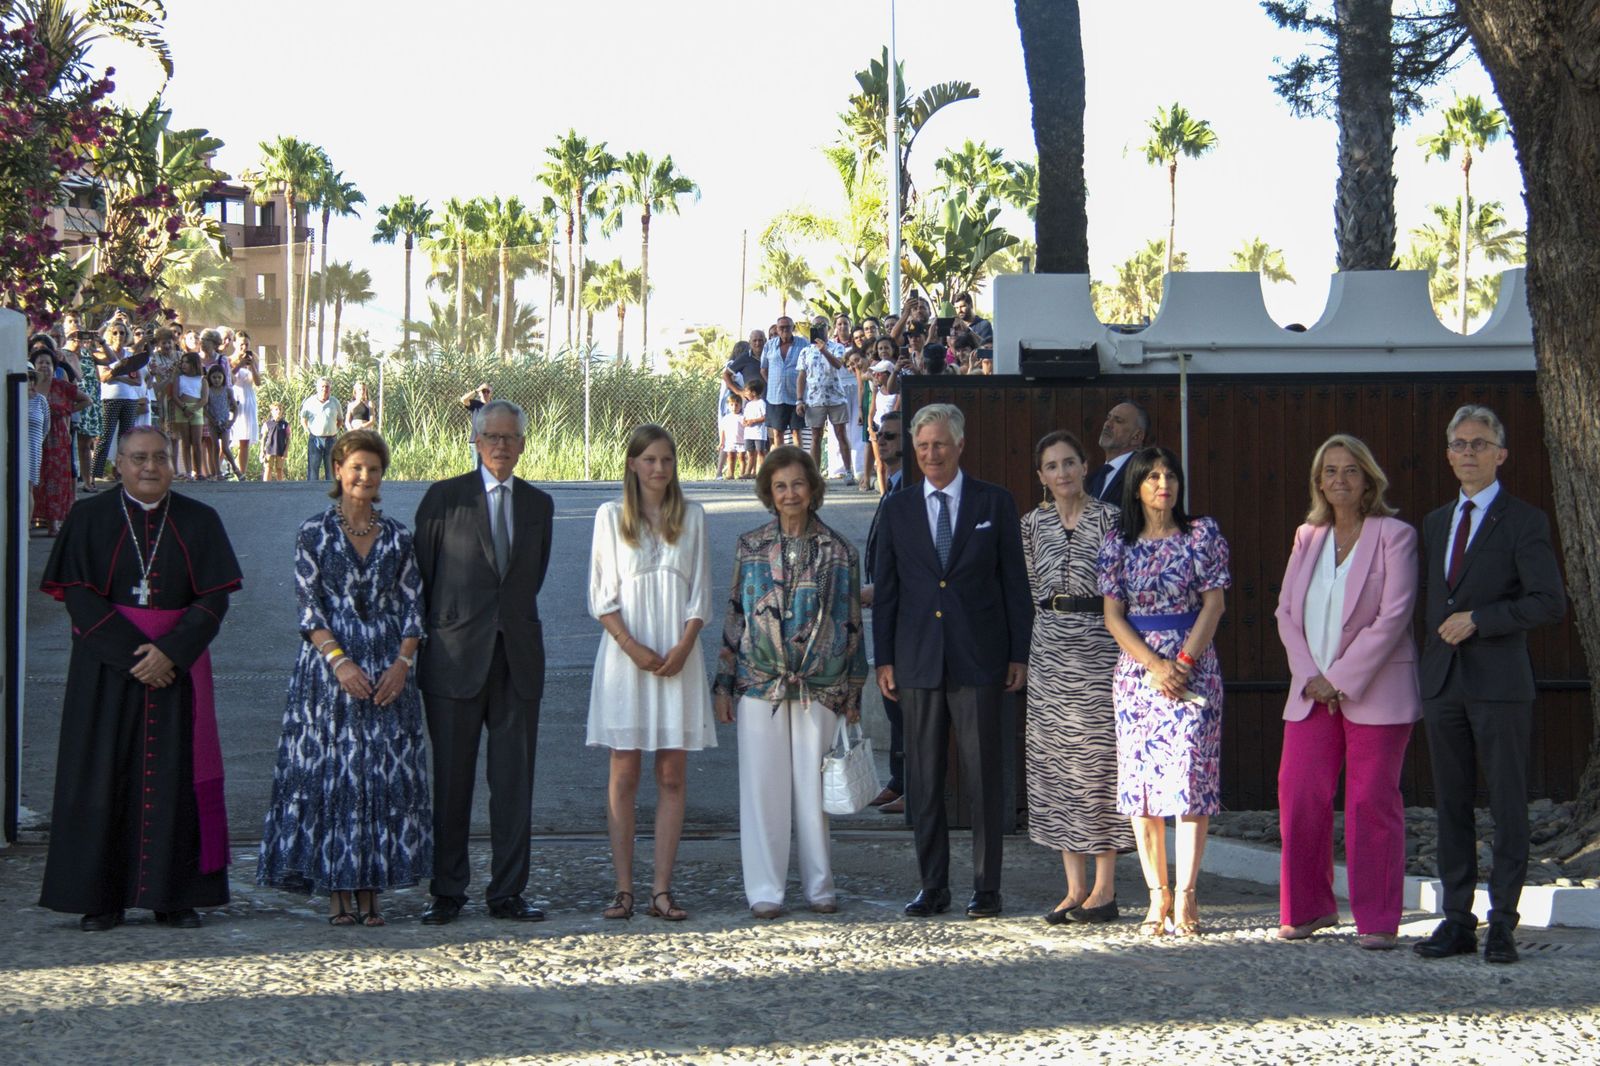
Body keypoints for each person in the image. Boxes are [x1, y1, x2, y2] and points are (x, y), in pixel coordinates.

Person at [38, 425, 243, 931]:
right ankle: (99, 897)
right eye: (138, 458)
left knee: (176, 777)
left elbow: (214, 596)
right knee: (101, 776)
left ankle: (175, 897)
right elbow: (78, 595)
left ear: (173, 463)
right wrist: (136, 656)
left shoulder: (201, 519)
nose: (149, 467)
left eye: (159, 458)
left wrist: (169, 653)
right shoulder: (88, 518)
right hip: (105, 669)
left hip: (178, 666)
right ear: (119, 465)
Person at [257, 429, 431, 927]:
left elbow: (414, 607)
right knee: (336, 779)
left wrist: (402, 665)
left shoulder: (399, 536)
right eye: (355, 467)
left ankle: (373, 891)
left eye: (373, 469)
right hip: (327, 673)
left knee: (378, 778)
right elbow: (308, 610)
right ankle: (337, 892)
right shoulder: (313, 532)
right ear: (337, 470)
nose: (364, 476)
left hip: (388, 670)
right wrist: (340, 662)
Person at [1413, 405, 1566, 966]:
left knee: (1506, 806)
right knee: (1450, 806)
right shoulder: (1434, 522)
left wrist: (1482, 617)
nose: (1469, 452)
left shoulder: (1524, 521)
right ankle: (1457, 920)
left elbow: (1548, 601)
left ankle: (1502, 922)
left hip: (1500, 683)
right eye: (1460, 443)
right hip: (1444, 683)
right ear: (1449, 454)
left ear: (1501, 454)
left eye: (1480, 443)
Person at [874, 404, 1032, 919]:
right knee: (922, 777)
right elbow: (889, 592)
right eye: (922, 446)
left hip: (980, 660)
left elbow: (1014, 585)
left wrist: (1017, 653)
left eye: (939, 444)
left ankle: (987, 888)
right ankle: (932, 885)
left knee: (985, 777)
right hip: (917, 661)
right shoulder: (897, 509)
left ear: (960, 445)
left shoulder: (995, 502)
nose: (930, 454)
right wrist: (884, 660)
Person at [1274, 434, 1420, 950]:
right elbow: (1286, 614)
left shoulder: (1394, 535)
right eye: (1330, 471)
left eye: (1350, 470)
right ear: (1319, 482)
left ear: (1368, 480)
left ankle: (1378, 918)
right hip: (1311, 692)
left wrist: (1339, 678)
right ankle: (1309, 908)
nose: (1340, 480)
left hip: (1376, 690)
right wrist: (1313, 676)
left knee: (1371, 802)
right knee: (1299, 796)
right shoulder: (1306, 537)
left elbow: (1393, 615)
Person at [413, 400, 554, 925]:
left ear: (522, 443)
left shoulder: (539, 505)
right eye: (491, 436)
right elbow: (421, 579)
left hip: (517, 660)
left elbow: (529, 578)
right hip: (453, 660)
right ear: (475, 441)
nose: (500, 445)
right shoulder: (443, 498)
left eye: (510, 437)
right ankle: (447, 891)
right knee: (451, 781)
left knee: (514, 783)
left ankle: (508, 892)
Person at [715, 446, 867, 918]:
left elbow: (852, 622)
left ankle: (820, 884)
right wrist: (723, 683)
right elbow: (736, 613)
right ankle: (765, 889)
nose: (789, 494)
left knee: (812, 787)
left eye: (797, 484)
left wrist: (853, 690)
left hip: (821, 683)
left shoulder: (840, 550)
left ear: (813, 488)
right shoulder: (750, 545)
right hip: (760, 682)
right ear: (769, 492)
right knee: (763, 788)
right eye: (780, 486)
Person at [1098, 446, 1230, 938]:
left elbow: (1213, 605)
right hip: (1138, 674)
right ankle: (1157, 896)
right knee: (1144, 788)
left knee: (1191, 780)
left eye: (1169, 474)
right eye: (1152, 476)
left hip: (1193, 665)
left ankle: (1189, 895)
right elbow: (1114, 615)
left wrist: (1183, 664)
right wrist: (1153, 665)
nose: (1163, 483)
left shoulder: (1202, 535)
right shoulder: (1117, 543)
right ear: (1136, 486)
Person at [587, 425, 715, 922]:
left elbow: (700, 594)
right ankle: (624, 889)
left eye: (666, 459)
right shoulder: (608, 517)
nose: (659, 468)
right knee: (624, 771)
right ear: (633, 464)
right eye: (649, 459)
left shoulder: (695, 517)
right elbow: (601, 595)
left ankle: (662, 889)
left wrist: (683, 647)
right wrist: (632, 647)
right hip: (626, 657)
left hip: (677, 656)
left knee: (672, 772)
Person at [1025, 430, 1133, 925]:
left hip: (1100, 647)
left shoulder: (1112, 519)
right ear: (1042, 475)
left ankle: (1105, 889)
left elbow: (1123, 588)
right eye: (1052, 465)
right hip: (1049, 647)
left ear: (1085, 466)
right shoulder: (1031, 525)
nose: (1063, 472)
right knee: (1058, 766)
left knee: (1098, 765)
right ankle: (1073, 887)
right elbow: (1029, 586)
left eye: (1070, 462)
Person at [860, 409, 905, 813]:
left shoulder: (907, 486)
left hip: (902, 608)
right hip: (885, 604)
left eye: (890, 435)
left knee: (902, 700)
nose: (882, 440)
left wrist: (878, 589)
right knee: (893, 699)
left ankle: (907, 783)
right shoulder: (892, 482)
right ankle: (898, 779)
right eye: (878, 434)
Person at [32, 351, 88, 537]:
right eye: (40, 362)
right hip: (35, 437)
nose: (44, 366)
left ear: (54, 367)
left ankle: (54, 523)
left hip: (57, 438)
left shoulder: (61, 386)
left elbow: (86, 400)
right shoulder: (29, 386)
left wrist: (66, 411)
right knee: (36, 477)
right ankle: (36, 516)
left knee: (55, 479)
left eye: (48, 363)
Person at [795, 324, 854, 481]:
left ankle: (848, 471)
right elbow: (801, 375)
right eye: (816, 327)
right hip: (814, 398)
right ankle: (815, 474)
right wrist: (799, 399)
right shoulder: (805, 351)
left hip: (836, 397)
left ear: (828, 329)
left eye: (822, 327)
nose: (819, 330)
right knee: (816, 435)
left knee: (841, 433)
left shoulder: (838, 347)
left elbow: (838, 364)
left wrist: (823, 350)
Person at [92, 321, 144, 482]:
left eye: (122, 333)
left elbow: (137, 381)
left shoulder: (129, 355)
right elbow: (103, 377)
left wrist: (117, 375)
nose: (119, 336)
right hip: (110, 399)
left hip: (130, 399)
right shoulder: (104, 354)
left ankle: (123, 472)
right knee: (105, 436)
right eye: (115, 332)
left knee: (126, 438)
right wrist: (120, 372)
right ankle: (95, 474)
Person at [1086, 401, 1150, 504]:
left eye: (1118, 420)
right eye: (1108, 418)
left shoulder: (1143, 476)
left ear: (1137, 436)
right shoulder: (1092, 479)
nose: (1107, 424)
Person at [760, 316, 805, 449]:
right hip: (775, 398)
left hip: (796, 396)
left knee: (796, 432)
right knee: (778, 433)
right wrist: (773, 383)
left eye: (787, 327)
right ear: (777, 329)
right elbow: (763, 369)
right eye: (781, 327)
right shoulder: (769, 345)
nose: (784, 330)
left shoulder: (803, 344)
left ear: (793, 328)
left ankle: (799, 466)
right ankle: (781, 466)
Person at [168, 351, 207, 482]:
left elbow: (204, 399)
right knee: (185, 442)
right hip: (181, 410)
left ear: (194, 364)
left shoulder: (202, 379)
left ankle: (199, 471)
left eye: (186, 362)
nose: (183, 365)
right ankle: (188, 471)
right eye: (182, 362)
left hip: (196, 410)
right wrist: (184, 407)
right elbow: (174, 396)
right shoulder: (179, 378)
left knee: (196, 442)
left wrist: (193, 409)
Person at [203, 365, 240, 480]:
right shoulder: (208, 391)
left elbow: (235, 407)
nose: (217, 380)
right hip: (213, 423)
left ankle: (236, 469)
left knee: (225, 447)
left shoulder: (228, 391)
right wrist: (212, 420)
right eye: (214, 377)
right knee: (215, 447)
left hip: (225, 423)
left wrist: (232, 421)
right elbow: (204, 408)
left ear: (224, 378)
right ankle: (217, 472)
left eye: (219, 377)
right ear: (210, 378)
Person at [301, 377, 342, 481]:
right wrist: (307, 430)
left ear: (330, 388)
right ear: (317, 388)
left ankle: (330, 494)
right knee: (313, 468)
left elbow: (340, 420)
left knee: (331, 469)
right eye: (322, 386)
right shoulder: (309, 402)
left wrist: (334, 430)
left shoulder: (335, 402)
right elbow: (303, 419)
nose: (324, 389)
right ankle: (312, 493)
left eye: (327, 386)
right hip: (315, 439)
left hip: (331, 440)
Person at [230, 350, 260, 476]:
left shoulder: (253, 362)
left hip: (248, 400)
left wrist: (252, 365)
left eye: (246, 344)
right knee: (227, 438)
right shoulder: (229, 360)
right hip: (235, 399)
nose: (244, 347)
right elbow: (229, 379)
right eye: (242, 344)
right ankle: (218, 470)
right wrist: (240, 364)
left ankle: (242, 473)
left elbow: (258, 382)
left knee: (245, 440)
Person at [741, 378, 768, 466]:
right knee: (750, 453)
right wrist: (744, 422)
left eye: (747, 391)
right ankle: (749, 471)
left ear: (754, 393)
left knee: (760, 452)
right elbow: (745, 416)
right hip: (749, 433)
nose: (745, 394)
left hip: (759, 433)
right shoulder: (748, 404)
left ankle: (762, 471)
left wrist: (753, 421)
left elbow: (765, 416)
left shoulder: (761, 403)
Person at [260, 402, 290, 482]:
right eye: (276, 409)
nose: (278, 411)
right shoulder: (267, 424)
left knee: (279, 469)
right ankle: (266, 486)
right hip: (269, 449)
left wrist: (286, 451)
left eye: (280, 409)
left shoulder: (285, 424)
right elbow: (263, 438)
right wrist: (262, 451)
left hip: (280, 449)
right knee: (268, 468)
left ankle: (280, 486)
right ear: (272, 411)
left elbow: (288, 438)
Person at [718, 393, 745, 480]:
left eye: (736, 405)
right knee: (730, 457)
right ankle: (730, 474)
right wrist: (721, 442)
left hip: (741, 442)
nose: (734, 407)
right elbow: (723, 431)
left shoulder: (742, 417)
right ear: (728, 406)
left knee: (741, 457)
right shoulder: (726, 418)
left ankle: (742, 474)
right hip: (730, 442)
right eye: (732, 405)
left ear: (741, 406)